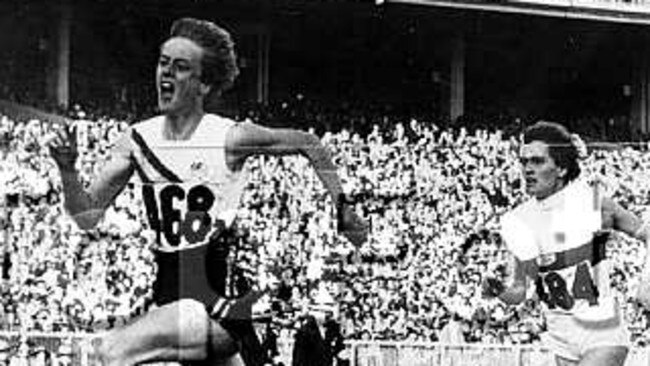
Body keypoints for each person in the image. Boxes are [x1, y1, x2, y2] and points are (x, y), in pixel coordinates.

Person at [48, 17, 367, 366]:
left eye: (181, 67)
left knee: (109, 352)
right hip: (172, 302)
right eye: (163, 62)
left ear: (203, 85)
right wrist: (67, 171)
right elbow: (86, 216)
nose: (165, 73)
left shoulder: (229, 137)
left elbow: (310, 144)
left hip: (211, 304)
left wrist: (343, 207)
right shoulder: (136, 140)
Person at [484, 121, 650, 366]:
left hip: (604, 333)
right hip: (561, 338)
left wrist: (645, 284)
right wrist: (498, 289)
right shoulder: (517, 220)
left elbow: (646, 233)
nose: (527, 169)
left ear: (561, 168)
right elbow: (519, 292)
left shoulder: (593, 202)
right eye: (524, 162)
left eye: (538, 161)